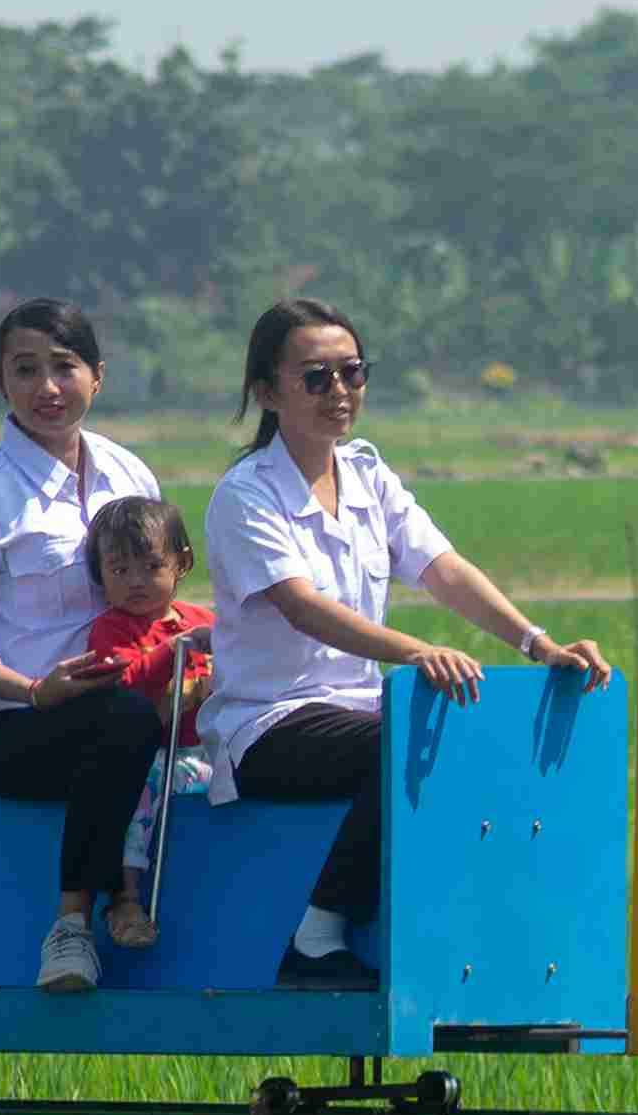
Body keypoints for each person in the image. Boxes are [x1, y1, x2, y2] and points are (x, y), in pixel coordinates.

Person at [202, 299, 607, 992]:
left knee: (473, 733)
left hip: (359, 709)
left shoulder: (366, 474)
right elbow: (303, 608)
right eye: (315, 378)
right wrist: (417, 652)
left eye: (352, 372)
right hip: (269, 722)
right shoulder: (246, 496)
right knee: (396, 742)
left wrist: (537, 643)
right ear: (267, 393)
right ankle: (316, 938)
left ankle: (483, 940)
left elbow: (442, 569)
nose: (339, 391)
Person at [0, 297, 169, 992]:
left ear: (98, 375)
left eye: (65, 367)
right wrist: (33, 690)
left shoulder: (131, 476)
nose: (47, 388)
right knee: (127, 723)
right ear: (0, 382)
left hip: (125, 713)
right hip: (15, 729)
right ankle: (72, 926)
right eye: (25, 370)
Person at [76, 493, 214, 952]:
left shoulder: (204, 621)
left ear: (182, 563)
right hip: (155, 757)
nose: (136, 581)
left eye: (152, 566)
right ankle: (126, 898)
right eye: (120, 570)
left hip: (209, 753)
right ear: (100, 575)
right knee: (139, 790)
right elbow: (127, 685)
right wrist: (174, 651)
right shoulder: (110, 630)